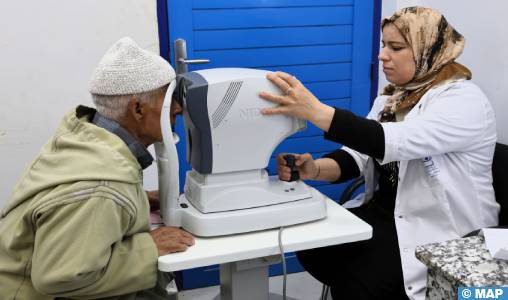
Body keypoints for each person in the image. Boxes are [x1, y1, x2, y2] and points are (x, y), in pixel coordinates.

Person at [260, 7, 498, 300]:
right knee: (313, 246)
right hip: (387, 215)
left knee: (358, 284)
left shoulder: (463, 101)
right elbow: (360, 154)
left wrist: (316, 111)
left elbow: (391, 141)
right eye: (383, 45)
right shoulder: (394, 97)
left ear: (429, 50)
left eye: (396, 47)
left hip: (442, 231)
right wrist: (315, 169)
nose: (383, 55)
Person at [0, 37, 194, 299]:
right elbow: (60, 276)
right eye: (169, 99)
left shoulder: (87, 141)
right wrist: (148, 248)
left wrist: (137, 201)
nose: (178, 109)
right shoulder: (101, 188)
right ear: (137, 108)